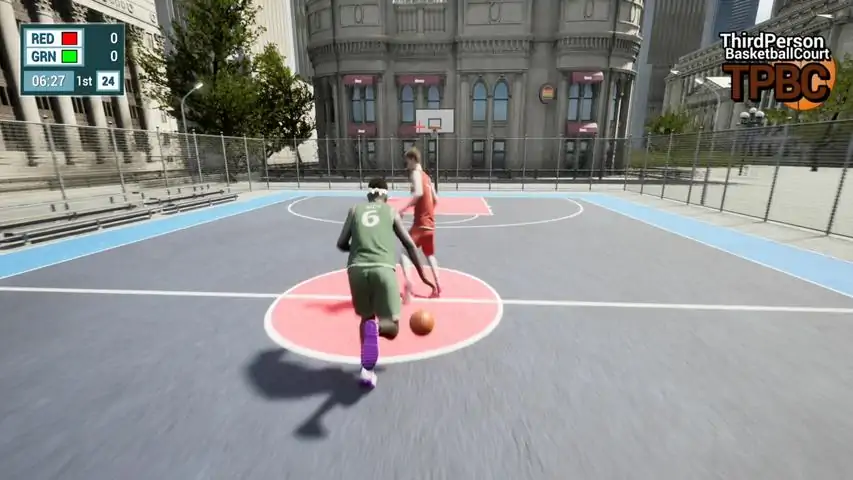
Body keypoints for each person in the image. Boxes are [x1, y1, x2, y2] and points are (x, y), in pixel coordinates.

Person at [336, 177, 437, 388]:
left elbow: (341, 243)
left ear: (368, 194)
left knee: (366, 318)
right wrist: (423, 275)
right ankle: (377, 328)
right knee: (392, 328)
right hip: (383, 268)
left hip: (356, 269)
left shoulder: (354, 210)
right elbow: (409, 245)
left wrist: (358, 248)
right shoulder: (391, 212)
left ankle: (367, 371)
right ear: (386, 195)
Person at [398, 147, 442, 302]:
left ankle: (409, 283)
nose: (407, 165)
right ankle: (438, 285)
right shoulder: (427, 177)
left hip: (420, 224)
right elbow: (436, 199)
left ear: (412, 159)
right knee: (429, 255)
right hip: (430, 224)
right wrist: (428, 212)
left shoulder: (416, 173)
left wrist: (403, 209)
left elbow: (418, 193)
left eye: (407, 162)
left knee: (404, 253)